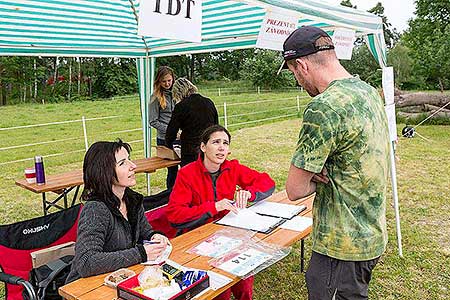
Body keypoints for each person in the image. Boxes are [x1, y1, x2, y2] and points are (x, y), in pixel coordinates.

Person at [280, 26, 390, 299]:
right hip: (370, 234)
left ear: (302, 66)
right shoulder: (367, 92)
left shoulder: (324, 106)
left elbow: (295, 189)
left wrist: (319, 175)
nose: (297, 80)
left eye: (294, 72)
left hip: (339, 246)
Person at [166, 125, 275, 300]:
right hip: (199, 239)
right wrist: (214, 207)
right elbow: (174, 215)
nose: (222, 147)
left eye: (225, 143)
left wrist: (249, 193)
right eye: (216, 142)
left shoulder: (232, 167)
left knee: (245, 282)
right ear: (203, 147)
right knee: (221, 292)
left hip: (231, 234)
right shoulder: (187, 174)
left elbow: (267, 181)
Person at [66, 140, 169, 283]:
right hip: (87, 287)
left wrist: (154, 236)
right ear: (104, 172)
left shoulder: (132, 200)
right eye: (122, 163)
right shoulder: (96, 210)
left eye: (129, 160)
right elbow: (86, 262)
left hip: (119, 278)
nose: (133, 166)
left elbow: (145, 231)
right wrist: (141, 253)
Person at [165, 78, 219, 167]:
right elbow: (216, 126)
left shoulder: (181, 106)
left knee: (190, 178)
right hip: (209, 147)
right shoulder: (209, 102)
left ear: (178, 93)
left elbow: (171, 131)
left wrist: (169, 146)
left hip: (190, 151)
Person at [148, 66, 178, 189]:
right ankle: (170, 196)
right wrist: (172, 131)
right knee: (172, 170)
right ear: (158, 81)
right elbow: (153, 121)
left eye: (169, 81)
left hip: (180, 136)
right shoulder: (155, 97)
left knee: (186, 168)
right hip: (165, 139)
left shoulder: (177, 94)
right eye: (164, 81)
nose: (167, 84)